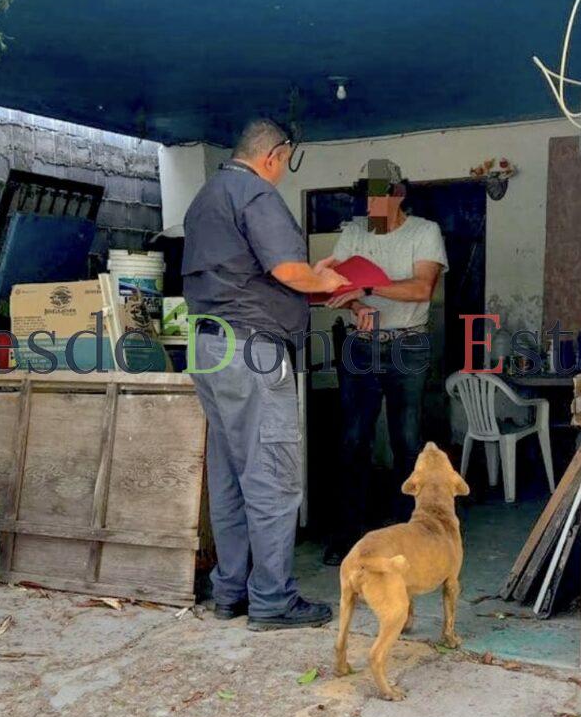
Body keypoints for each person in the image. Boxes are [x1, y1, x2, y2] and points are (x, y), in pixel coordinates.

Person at [182, 118, 348, 629]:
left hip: (208, 347)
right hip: (252, 350)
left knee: (231, 476)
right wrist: (325, 277)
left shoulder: (206, 196)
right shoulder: (255, 193)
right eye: (286, 163)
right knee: (272, 476)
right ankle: (274, 600)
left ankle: (230, 592)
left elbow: (245, 270)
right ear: (274, 155)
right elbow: (287, 271)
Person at [323, 159, 449, 565]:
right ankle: (347, 535)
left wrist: (368, 285)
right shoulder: (353, 233)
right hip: (361, 344)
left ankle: (409, 534)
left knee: (407, 440)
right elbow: (336, 285)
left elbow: (422, 289)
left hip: (407, 345)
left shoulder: (424, 231)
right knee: (353, 439)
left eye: (381, 193)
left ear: (399, 194)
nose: (372, 202)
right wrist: (358, 303)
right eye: (368, 193)